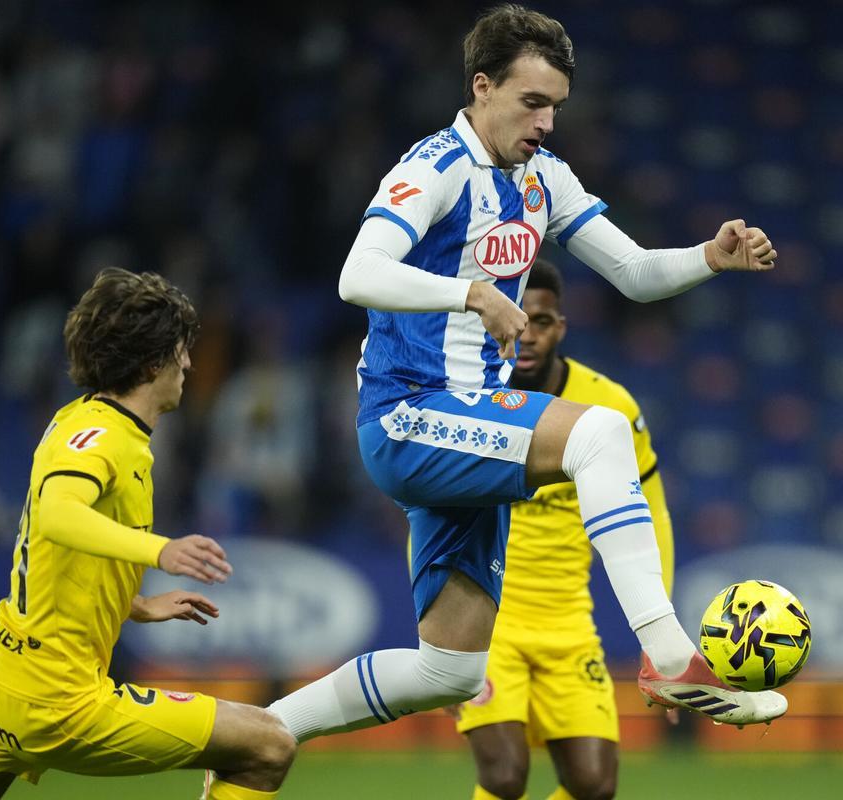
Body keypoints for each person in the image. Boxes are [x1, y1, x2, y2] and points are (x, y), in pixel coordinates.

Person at [267, 3, 784, 746]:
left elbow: (635, 272)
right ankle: (670, 655)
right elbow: (358, 273)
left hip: (467, 426)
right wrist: (470, 292)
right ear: (482, 86)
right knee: (601, 433)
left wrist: (708, 257)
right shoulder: (433, 168)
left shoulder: (544, 178)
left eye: (556, 107)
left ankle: (267, 728)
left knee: (447, 671)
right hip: (409, 415)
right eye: (531, 102)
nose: (545, 122)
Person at [0, 268, 296, 800]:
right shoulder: (104, 438)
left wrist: (136, 604)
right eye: (180, 351)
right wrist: (160, 550)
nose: (189, 363)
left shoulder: (79, 420)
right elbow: (56, 516)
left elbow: (55, 553)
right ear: (152, 362)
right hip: (55, 697)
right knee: (268, 745)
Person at [447, 259, 675, 800]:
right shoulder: (464, 398)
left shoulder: (609, 406)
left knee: (595, 786)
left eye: (542, 321)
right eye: (516, 317)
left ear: (561, 327)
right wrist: (442, 637)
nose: (526, 333)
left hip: (569, 625)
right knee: (504, 777)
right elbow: (428, 511)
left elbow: (654, 516)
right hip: (487, 624)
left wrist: (659, 638)